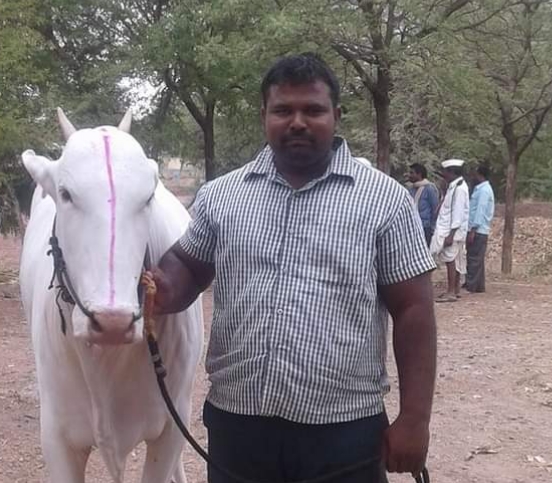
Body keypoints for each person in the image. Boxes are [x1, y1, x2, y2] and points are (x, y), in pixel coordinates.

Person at [150, 53, 437, 483]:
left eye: (313, 110)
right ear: (264, 115)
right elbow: (187, 267)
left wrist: (414, 420)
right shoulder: (222, 196)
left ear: (336, 115)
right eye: (283, 110)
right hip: (238, 425)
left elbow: (413, 310)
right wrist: (158, 289)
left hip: (345, 432)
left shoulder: (385, 201)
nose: (297, 122)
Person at [430, 159, 470, 303]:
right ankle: (455, 290)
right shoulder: (454, 186)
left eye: (445, 172)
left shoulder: (459, 189)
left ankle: (451, 292)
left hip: (450, 230)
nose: (444, 174)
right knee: (454, 258)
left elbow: (457, 213)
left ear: (452, 172)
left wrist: (450, 235)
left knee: (450, 259)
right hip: (450, 229)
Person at [465, 165, 495, 293]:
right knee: (477, 258)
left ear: (480, 174)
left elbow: (480, 211)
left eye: (475, 173)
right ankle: (478, 285)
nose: (473, 176)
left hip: (478, 229)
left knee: (473, 258)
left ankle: (471, 285)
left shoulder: (484, 191)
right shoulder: (483, 189)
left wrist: (473, 229)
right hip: (479, 229)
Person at [407, 163, 440, 245]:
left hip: (425, 227)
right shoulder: (411, 189)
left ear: (419, 174)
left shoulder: (429, 189)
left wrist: (433, 228)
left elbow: (435, 209)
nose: (409, 175)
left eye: (412, 173)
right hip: (412, 226)